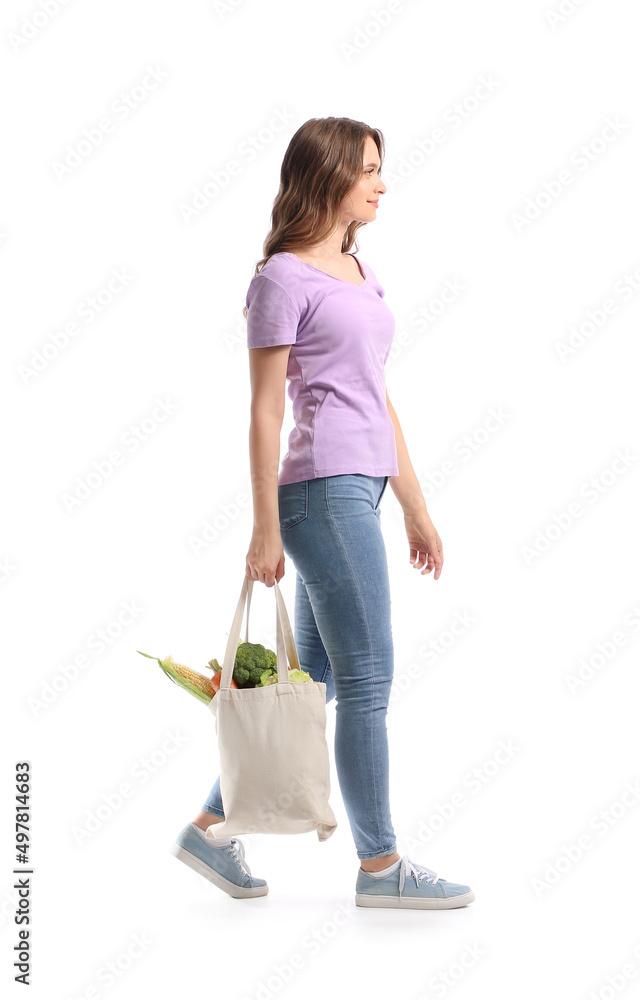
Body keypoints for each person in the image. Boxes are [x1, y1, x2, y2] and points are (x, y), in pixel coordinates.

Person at [171, 117, 475, 909]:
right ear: (330, 174)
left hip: (360, 488)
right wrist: (264, 526)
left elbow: (377, 397)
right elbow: (265, 413)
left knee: (323, 678)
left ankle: (209, 829)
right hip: (319, 492)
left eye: (381, 168)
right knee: (369, 677)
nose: (381, 182)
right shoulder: (280, 279)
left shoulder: (357, 269)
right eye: (369, 169)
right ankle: (381, 869)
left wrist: (416, 507)